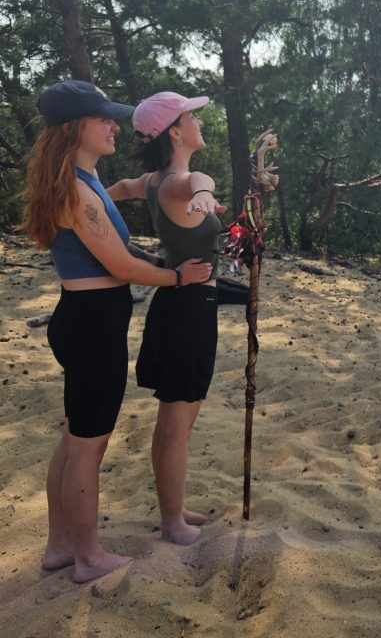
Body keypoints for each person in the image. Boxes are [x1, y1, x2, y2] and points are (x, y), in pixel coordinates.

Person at [20, 80, 213, 584]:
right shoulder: (78, 191)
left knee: (73, 438)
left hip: (85, 317)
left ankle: (60, 545)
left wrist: (156, 260)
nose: (113, 126)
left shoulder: (84, 180)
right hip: (92, 325)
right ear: (71, 129)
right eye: (102, 119)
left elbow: (117, 258)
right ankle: (87, 556)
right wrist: (175, 276)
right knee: (88, 444)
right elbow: (120, 266)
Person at [108, 91, 225, 545]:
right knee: (178, 426)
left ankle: (173, 510)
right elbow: (199, 181)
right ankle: (173, 523)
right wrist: (202, 195)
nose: (198, 121)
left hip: (175, 306)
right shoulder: (179, 180)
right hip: (190, 310)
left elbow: (117, 190)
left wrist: (85, 204)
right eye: (191, 116)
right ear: (175, 131)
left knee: (169, 422)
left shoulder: (153, 180)